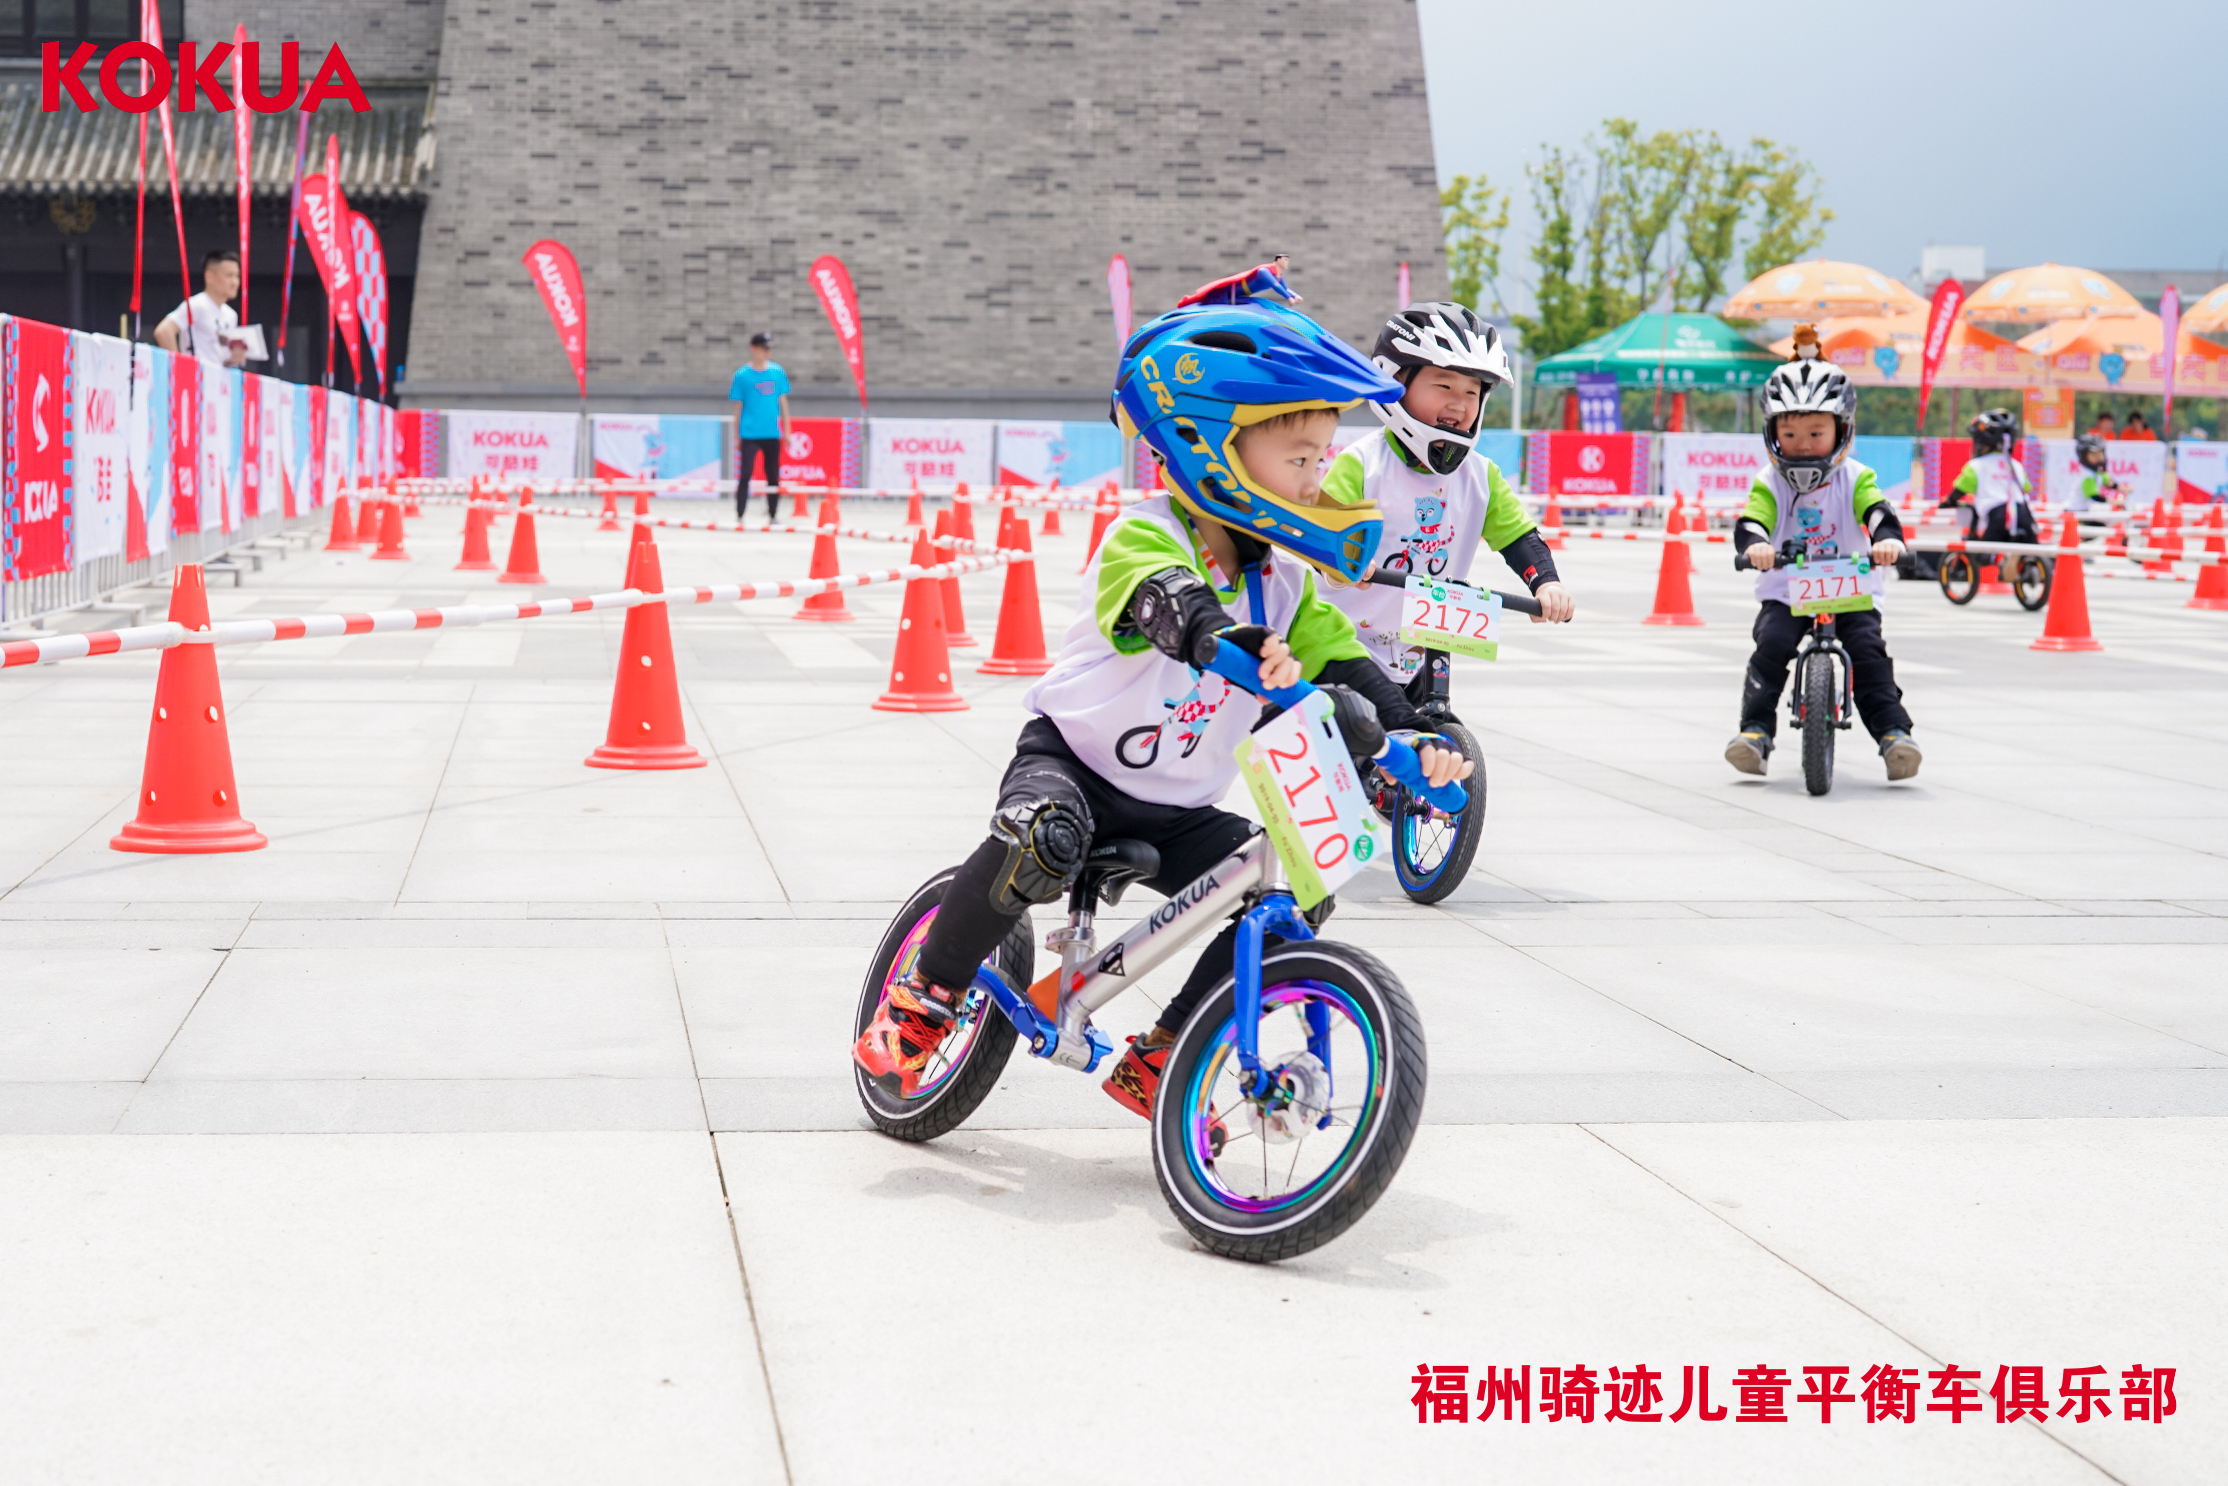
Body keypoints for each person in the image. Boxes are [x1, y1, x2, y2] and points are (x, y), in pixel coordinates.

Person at [852, 262, 1471, 1112]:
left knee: (1300, 881)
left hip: (1177, 807)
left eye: (1323, 458)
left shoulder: (1286, 583)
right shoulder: (1145, 535)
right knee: (1041, 836)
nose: (1317, 481)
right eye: (1299, 458)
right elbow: (1168, 604)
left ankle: (1170, 1049)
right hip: (1072, 765)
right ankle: (923, 997)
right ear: (1213, 449)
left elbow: (1347, 664)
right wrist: (1222, 639)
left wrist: (1413, 736)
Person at [1314, 302, 1575, 697]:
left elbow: (1518, 537)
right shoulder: (1362, 465)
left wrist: (1546, 583)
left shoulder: (1481, 476)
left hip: (1419, 649)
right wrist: (1336, 562)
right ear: (1396, 383)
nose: (1460, 403)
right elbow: (1321, 532)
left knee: (1433, 725)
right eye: (1444, 386)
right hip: (1342, 644)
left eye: (1472, 392)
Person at [1724, 338, 1919, 782]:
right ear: (1772, 433)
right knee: (1772, 646)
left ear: (1842, 430)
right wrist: (1756, 545)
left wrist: (1887, 540)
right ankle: (1755, 732)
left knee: (1867, 652)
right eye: (1790, 434)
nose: (1803, 446)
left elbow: (1877, 512)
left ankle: (1894, 735)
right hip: (1786, 590)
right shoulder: (1769, 481)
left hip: (1850, 589)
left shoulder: (1856, 477)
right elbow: (1753, 519)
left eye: (1816, 433)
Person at [1940, 408, 2038, 546]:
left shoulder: (1976, 465)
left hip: (1997, 517)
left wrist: (1948, 501)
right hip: (2022, 514)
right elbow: (2027, 488)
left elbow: (1960, 489)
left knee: (1985, 552)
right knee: (2031, 551)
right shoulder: (2016, 466)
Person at [729, 332, 791, 520]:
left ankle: (773, 514)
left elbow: (783, 402)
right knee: (745, 474)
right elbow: (738, 407)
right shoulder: (742, 375)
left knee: (773, 475)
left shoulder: (777, 372)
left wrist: (787, 430)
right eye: (764, 348)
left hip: (772, 433)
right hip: (749, 433)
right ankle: (740, 514)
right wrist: (736, 434)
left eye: (769, 348)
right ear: (754, 348)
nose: (767, 352)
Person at [153, 250, 249, 368]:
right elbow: (164, 331)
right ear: (209, 277)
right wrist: (179, 368)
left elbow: (219, 357)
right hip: (196, 376)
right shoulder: (197, 304)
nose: (235, 282)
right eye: (229, 275)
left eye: (237, 276)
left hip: (219, 378)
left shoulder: (231, 315)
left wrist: (233, 359)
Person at [2073, 433, 2121, 511]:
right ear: (2084, 456)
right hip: (2075, 511)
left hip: (2084, 512)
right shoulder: (2087, 475)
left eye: (2100, 453)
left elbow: (2110, 483)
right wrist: (2114, 502)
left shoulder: (2098, 472)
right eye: (2094, 454)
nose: (2099, 457)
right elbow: (2094, 496)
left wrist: (2124, 488)